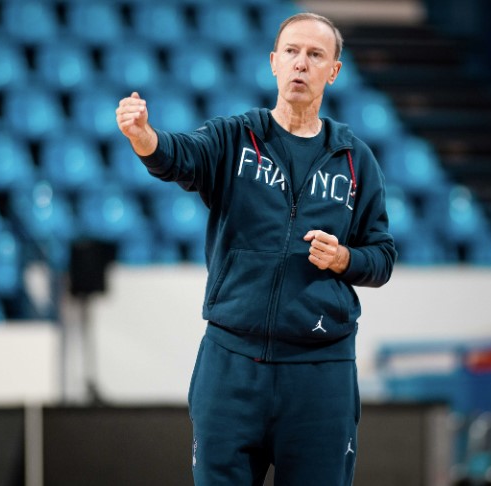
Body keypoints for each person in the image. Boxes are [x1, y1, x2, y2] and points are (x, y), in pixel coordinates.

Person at [115, 12, 396, 486]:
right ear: (273, 62)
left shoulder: (355, 160)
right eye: (291, 52)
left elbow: (382, 256)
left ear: (333, 71)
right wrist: (144, 137)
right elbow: (179, 157)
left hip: (320, 371)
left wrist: (345, 258)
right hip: (231, 363)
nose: (301, 63)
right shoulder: (234, 137)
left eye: (315, 55)